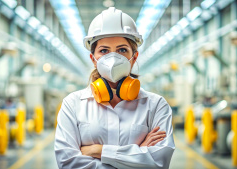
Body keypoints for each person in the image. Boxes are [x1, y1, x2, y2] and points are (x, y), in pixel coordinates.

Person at [55, 7, 175, 169]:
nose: (113, 58)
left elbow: (159, 162)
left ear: (134, 57)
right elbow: (67, 163)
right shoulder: (73, 104)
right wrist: (138, 154)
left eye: (122, 50)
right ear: (93, 59)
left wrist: (98, 151)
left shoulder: (155, 105)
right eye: (104, 50)